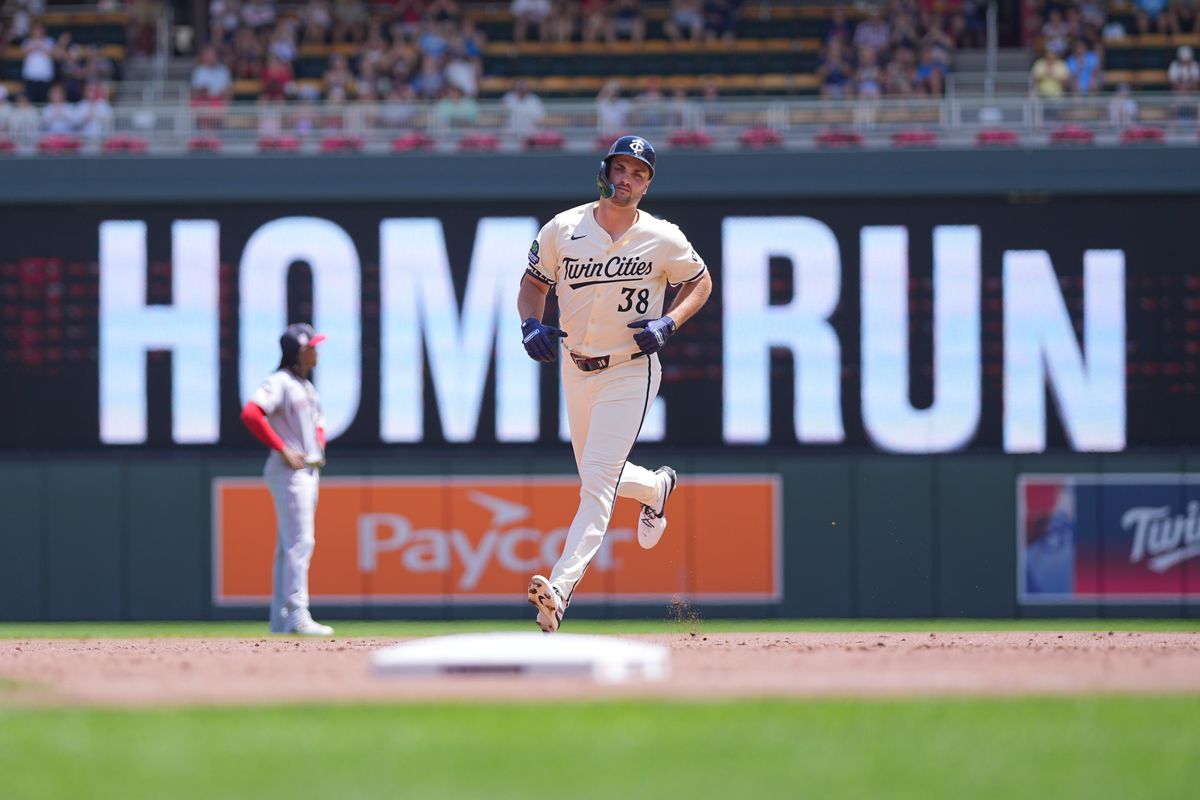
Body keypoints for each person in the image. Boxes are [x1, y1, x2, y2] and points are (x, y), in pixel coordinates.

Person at [518, 135, 713, 632]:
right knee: (596, 475)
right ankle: (656, 488)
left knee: (597, 482)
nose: (627, 179)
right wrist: (531, 323)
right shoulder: (563, 228)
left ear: (647, 185)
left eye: (638, 173)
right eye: (621, 168)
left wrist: (669, 321)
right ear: (604, 171)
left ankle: (559, 591)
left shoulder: (663, 237)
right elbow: (534, 284)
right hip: (575, 365)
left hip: (630, 367)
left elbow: (700, 281)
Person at [239, 323, 335, 636]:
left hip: (307, 469)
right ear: (299, 351)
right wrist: (281, 448)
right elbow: (251, 413)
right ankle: (297, 613)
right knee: (301, 542)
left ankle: (281, 619)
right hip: (290, 471)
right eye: (312, 347)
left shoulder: (305, 386)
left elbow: (319, 424)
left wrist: (318, 445)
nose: (317, 352)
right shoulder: (279, 381)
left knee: (288, 546)